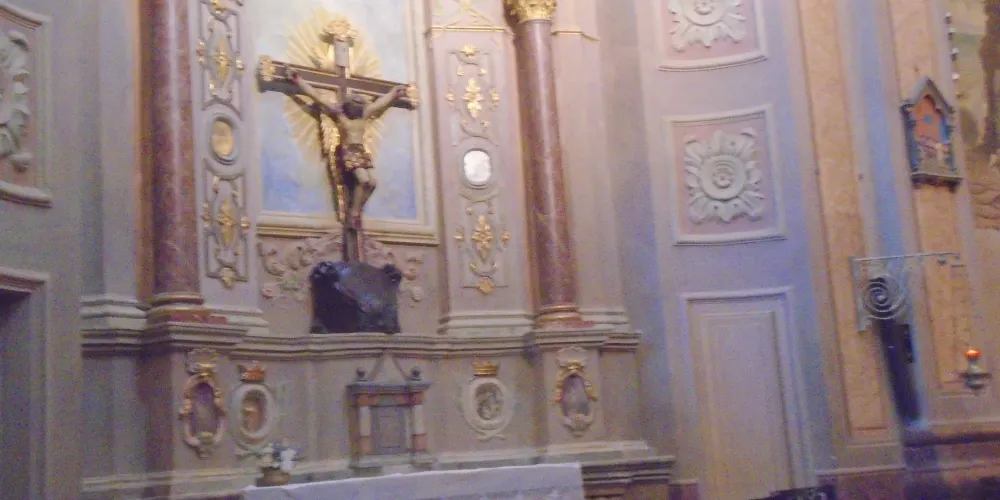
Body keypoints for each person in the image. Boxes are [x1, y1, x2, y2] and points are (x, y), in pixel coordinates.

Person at [288, 69, 407, 227]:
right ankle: (354, 214)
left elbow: (380, 103)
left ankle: (356, 209)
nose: (357, 106)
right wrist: (298, 81)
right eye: (354, 103)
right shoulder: (340, 116)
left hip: (361, 151)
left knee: (373, 183)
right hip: (348, 151)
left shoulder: (364, 114)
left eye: (359, 103)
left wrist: (393, 93)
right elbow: (317, 97)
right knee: (364, 180)